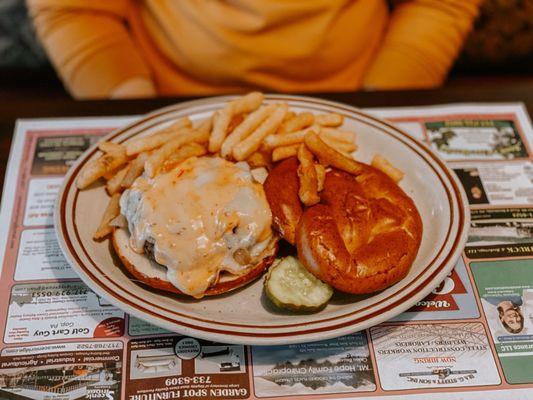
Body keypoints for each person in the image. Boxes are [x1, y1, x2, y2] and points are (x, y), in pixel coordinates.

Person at [27, 0, 482, 99]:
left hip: (358, 98)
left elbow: (439, 4)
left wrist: (379, 104)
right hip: (161, 100)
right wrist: (138, 117)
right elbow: (72, 9)